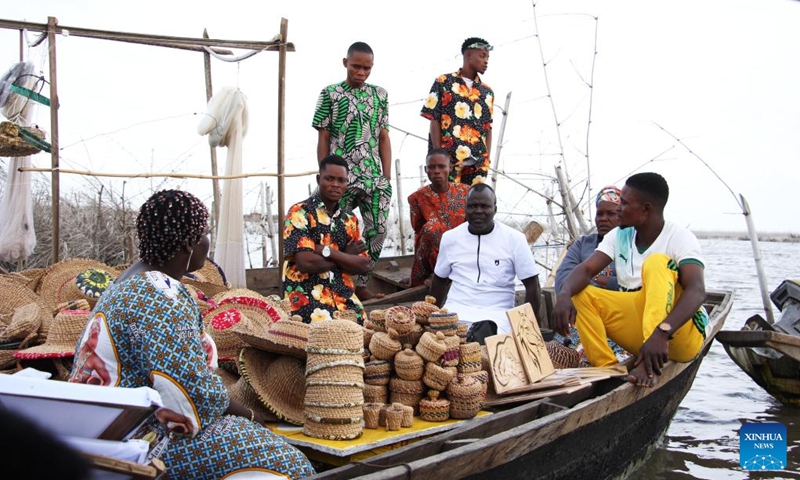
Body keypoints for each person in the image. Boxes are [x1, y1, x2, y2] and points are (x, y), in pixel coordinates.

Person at [68, 189, 315, 480]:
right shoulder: (160, 296)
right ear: (189, 243)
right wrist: (248, 414)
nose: (207, 241)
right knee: (286, 461)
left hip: (103, 427)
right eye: (205, 232)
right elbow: (189, 394)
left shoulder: (129, 281)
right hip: (139, 438)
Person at [553, 172, 708, 388]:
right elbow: (587, 270)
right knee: (581, 293)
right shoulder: (619, 235)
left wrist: (662, 333)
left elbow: (697, 291)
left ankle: (648, 364)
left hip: (677, 335)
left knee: (656, 264)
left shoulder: (679, 237)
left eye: (624, 204)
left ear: (646, 209)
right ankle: (608, 369)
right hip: (640, 332)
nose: (619, 209)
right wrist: (564, 294)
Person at [312, 41, 391, 301]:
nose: (361, 72)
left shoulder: (380, 95)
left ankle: (361, 284)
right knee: (332, 230)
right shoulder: (330, 93)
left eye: (367, 68)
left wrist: (386, 177)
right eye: (356, 66)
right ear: (345, 62)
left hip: (373, 177)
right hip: (341, 177)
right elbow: (323, 136)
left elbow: (383, 136)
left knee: (377, 230)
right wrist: (325, 175)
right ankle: (334, 284)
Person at [430, 183, 541, 343]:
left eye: (485, 206)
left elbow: (532, 284)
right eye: (473, 206)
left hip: (497, 313)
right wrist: (432, 315)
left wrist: (530, 328)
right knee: (437, 342)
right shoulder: (450, 238)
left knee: (488, 334)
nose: (478, 211)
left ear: (495, 209)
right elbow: (439, 280)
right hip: (456, 309)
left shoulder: (514, 239)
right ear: (465, 209)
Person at [283, 155, 371, 325]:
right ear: (319, 179)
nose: (335, 185)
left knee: (363, 325)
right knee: (323, 327)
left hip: (344, 296)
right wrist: (345, 256)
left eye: (341, 180)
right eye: (329, 179)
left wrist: (329, 251)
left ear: (347, 183)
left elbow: (363, 266)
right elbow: (305, 263)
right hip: (306, 296)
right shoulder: (300, 212)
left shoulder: (349, 220)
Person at [553, 185, 628, 363]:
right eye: (599, 214)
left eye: (611, 214)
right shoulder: (583, 244)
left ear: (622, 215)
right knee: (558, 354)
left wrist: (595, 281)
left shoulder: (632, 245)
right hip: (582, 319)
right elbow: (563, 278)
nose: (603, 219)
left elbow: (635, 285)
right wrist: (596, 282)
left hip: (620, 320)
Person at [421, 37, 494, 186]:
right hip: (449, 159)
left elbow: (488, 127)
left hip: (477, 162)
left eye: (487, 57)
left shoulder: (487, 92)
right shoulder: (443, 82)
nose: (486, 61)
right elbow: (434, 118)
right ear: (467, 55)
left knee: (473, 205)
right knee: (448, 205)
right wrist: (438, 155)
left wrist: (487, 159)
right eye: (482, 56)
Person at [406, 148, 470, 287]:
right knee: (432, 229)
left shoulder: (465, 192)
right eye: (432, 167)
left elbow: (470, 225)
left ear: (450, 168)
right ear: (426, 170)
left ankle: (456, 274)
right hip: (432, 253)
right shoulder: (416, 198)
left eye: (441, 166)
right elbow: (419, 231)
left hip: (462, 249)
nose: (436, 171)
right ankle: (437, 275)